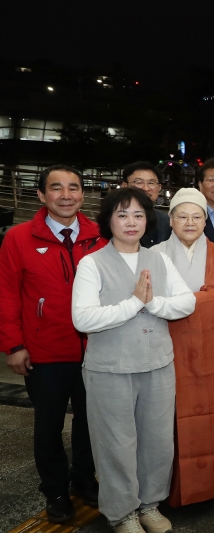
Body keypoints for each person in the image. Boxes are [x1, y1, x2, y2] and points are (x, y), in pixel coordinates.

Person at [72, 187, 195, 533]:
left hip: (157, 364)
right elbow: (83, 318)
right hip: (110, 369)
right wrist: (133, 303)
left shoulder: (159, 258)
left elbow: (186, 302)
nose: (131, 222)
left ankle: (149, 504)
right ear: (108, 220)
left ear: (148, 220)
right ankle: (122, 512)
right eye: (122, 214)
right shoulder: (92, 263)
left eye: (138, 214)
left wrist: (153, 304)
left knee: (157, 440)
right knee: (115, 443)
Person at [0, 165, 105, 523]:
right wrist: (13, 345)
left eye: (73, 188)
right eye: (56, 188)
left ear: (82, 194)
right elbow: (7, 295)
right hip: (45, 353)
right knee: (48, 425)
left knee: (91, 422)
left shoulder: (99, 234)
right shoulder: (18, 237)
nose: (66, 195)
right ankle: (56, 491)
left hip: (95, 351)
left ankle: (83, 480)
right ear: (42, 195)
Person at [152, 188, 214, 506]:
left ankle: (212, 484)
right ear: (170, 220)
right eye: (182, 215)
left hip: (213, 356)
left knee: (213, 419)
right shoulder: (155, 256)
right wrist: (202, 299)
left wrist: (193, 301)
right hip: (170, 352)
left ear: (205, 220)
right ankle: (167, 488)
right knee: (169, 420)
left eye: (197, 216)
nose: (190, 222)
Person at [120, 161, 171, 247]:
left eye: (151, 183)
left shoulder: (166, 221)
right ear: (125, 186)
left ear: (159, 188)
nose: (146, 188)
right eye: (139, 182)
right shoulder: (114, 218)